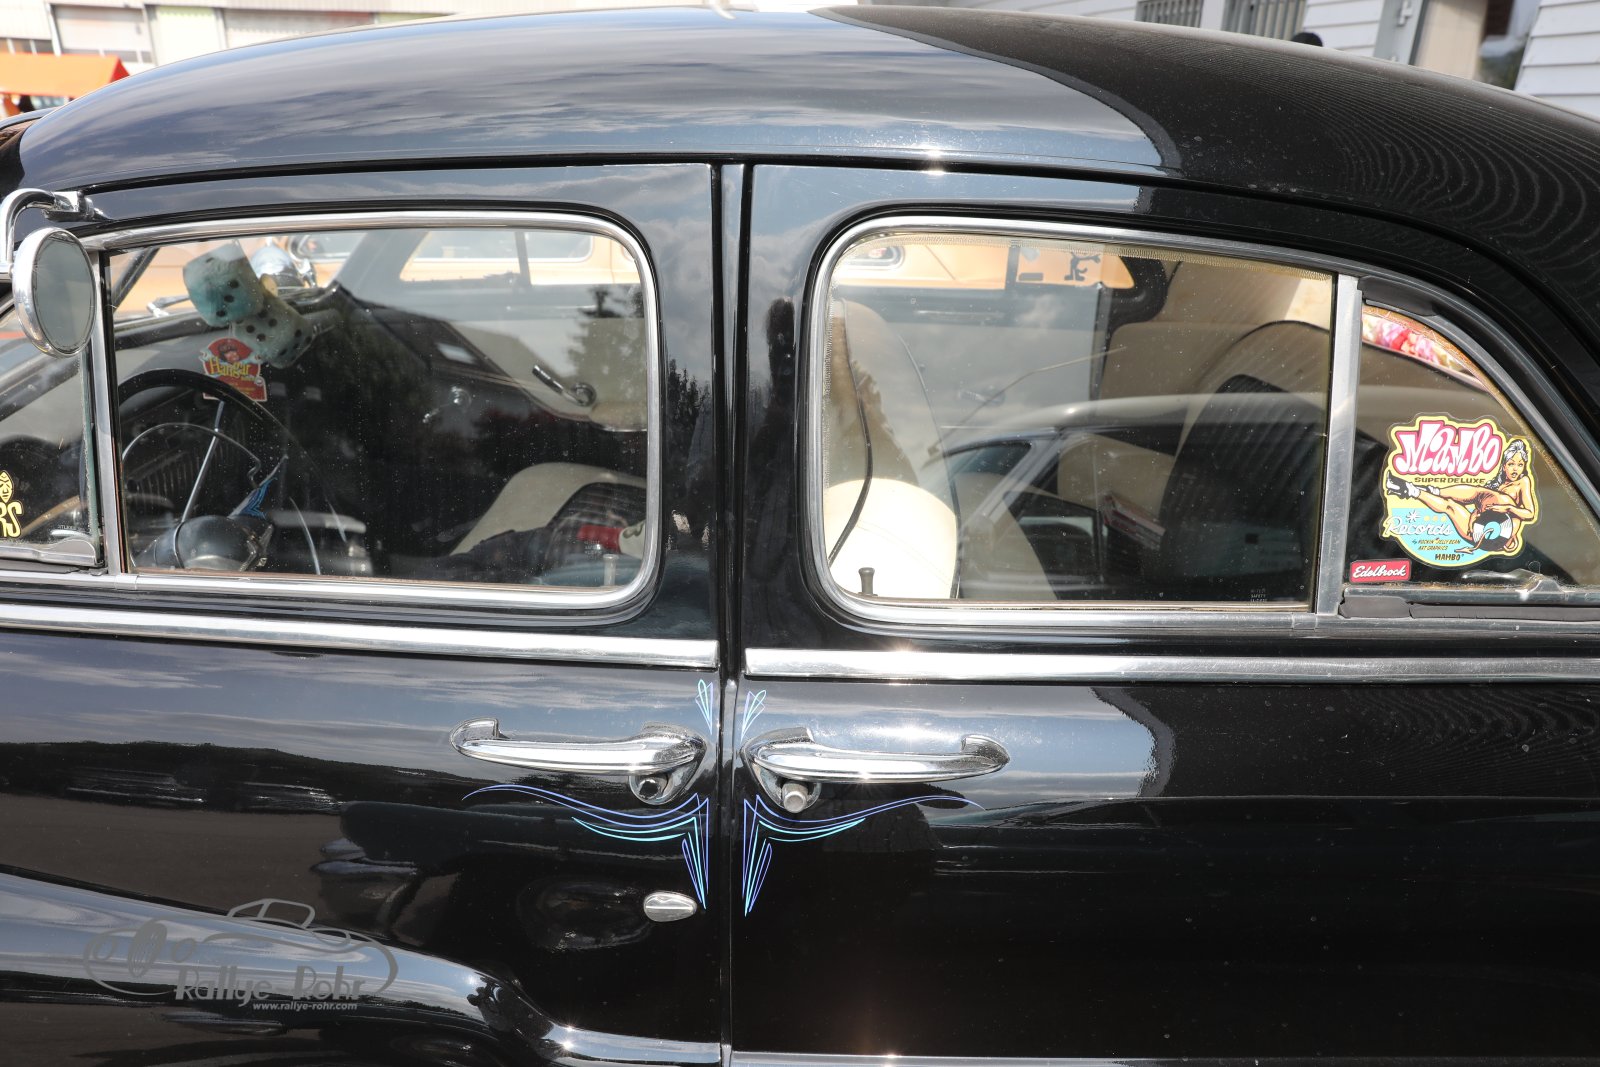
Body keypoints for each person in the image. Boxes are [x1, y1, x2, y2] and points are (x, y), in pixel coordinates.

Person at [1386, 438, 1538, 553]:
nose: (1515, 469)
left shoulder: (1523, 482)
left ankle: (1434, 490)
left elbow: (1530, 513)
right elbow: (1483, 510)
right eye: (1511, 464)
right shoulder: (1498, 485)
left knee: (1481, 492)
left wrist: (1508, 508)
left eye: (1520, 464)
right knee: (1450, 506)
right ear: (1504, 466)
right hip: (1480, 535)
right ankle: (1410, 490)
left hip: (1503, 535)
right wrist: (1474, 516)